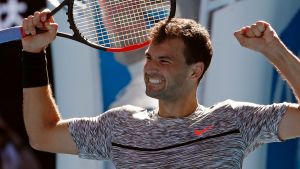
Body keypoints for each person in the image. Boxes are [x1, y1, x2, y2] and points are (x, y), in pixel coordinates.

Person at [21, 9, 300, 168]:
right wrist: (33, 55)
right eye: (149, 58)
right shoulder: (120, 125)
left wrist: (275, 51)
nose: (151, 68)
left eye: (164, 60)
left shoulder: (235, 119)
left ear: (195, 71)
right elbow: (42, 135)